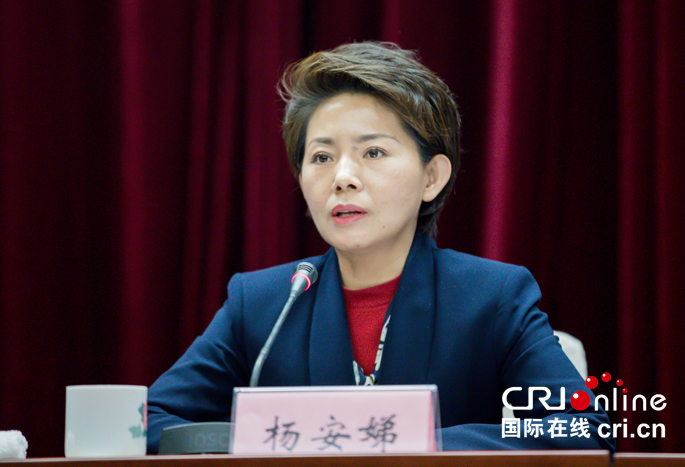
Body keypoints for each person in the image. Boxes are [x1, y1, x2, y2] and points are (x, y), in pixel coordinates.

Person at [147, 42, 614, 453]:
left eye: (373, 152)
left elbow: (584, 429)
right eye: (322, 157)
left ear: (432, 177)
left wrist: (410, 444)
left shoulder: (492, 296)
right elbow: (149, 421)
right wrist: (268, 441)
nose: (342, 177)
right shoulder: (263, 303)